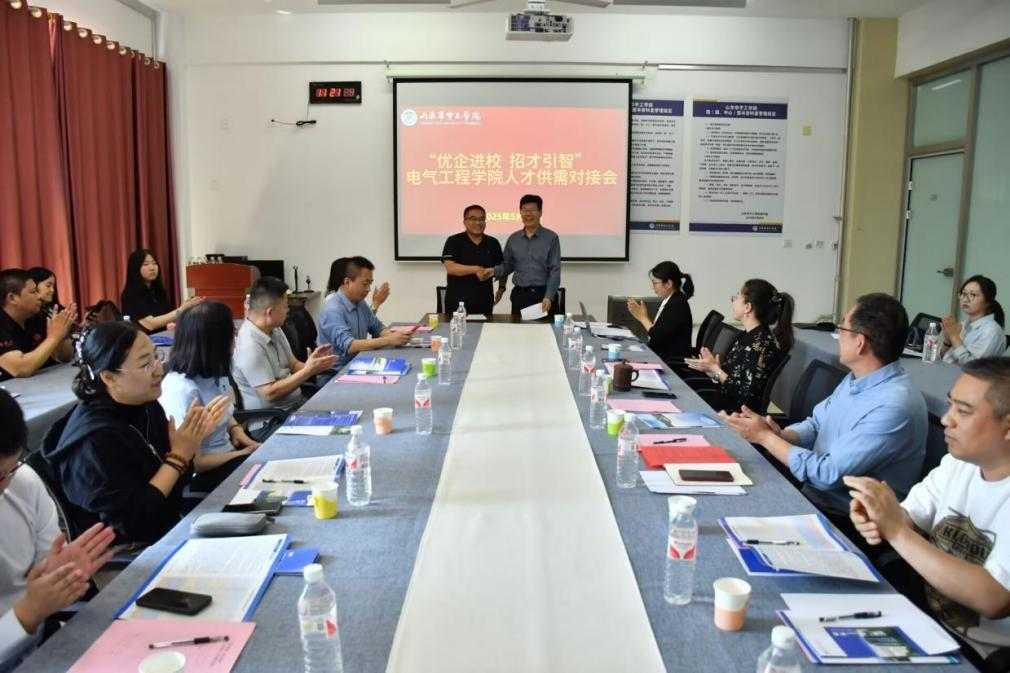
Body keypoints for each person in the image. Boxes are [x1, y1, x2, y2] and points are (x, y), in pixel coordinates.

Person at [845, 357, 1010, 671]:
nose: (946, 420)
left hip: (980, 655)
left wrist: (895, 530)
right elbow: (907, 516)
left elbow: (994, 598)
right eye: (950, 406)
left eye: (963, 411)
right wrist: (875, 516)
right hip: (923, 620)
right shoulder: (959, 463)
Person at [722, 293, 927, 518]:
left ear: (860, 343)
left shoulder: (894, 406)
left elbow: (826, 474)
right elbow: (817, 424)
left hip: (845, 519)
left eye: (843, 329)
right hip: (811, 495)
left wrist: (766, 438)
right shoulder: (857, 378)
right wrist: (780, 434)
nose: (838, 337)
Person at [40, 321, 225, 545]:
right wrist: (178, 458)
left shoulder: (144, 405)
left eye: (156, 357)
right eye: (146, 364)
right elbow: (134, 523)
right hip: (131, 551)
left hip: (169, 526)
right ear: (109, 377)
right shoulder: (94, 441)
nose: (159, 369)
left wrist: (190, 444)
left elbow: (176, 482)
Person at [0, 389, 115, 672]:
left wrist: (58, 577)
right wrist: (29, 612)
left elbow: (46, 571)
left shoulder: (22, 483)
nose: (4, 486)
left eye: (8, 471)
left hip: (44, 646)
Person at [158, 301, 261, 491]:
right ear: (216, 343)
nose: (235, 340)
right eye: (231, 334)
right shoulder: (183, 390)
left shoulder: (212, 372)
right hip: (205, 474)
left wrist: (236, 431)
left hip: (228, 455)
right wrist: (243, 454)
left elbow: (223, 412)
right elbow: (197, 463)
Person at [684, 279, 795, 412]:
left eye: (737, 297)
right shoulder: (748, 335)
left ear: (747, 307)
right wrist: (712, 371)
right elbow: (732, 379)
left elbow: (746, 395)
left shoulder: (760, 344)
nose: (733, 301)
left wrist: (716, 370)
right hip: (725, 401)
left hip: (737, 413)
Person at [233, 277, 337, 411]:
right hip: (274, 418)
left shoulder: (274, 328)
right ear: (270, 312)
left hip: (296, 405)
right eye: (285, 306)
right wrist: (308, 371)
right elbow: (269, 393)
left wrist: (315, 365)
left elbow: (293, 365)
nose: (288, 310)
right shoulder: (250, 346)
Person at [317, 256, 410, 370]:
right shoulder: (332, 309)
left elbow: (377, 328)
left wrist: (398, 336)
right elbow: (349, 345)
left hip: (359, 363)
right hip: (337, 372)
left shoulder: (360, 303)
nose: (368, 289)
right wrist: (389, 340)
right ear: (347, 282)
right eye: (364, 284)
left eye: (370, 284)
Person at [490, 195, 562, 317]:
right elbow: (508, 265)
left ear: (540, 212)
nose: (528, 214)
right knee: (518, 329)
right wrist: (493, 271)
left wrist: (549, 296)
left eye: (532, 210)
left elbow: (554, 270)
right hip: (520, 295)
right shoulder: (513, 239)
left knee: (545, 329)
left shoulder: (551, 238)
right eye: (525, 210)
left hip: (543, 295)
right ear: (520, 212)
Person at [0, 268, 76, 382]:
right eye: (33, 292)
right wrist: (54, 337)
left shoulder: (38, 316)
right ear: (12, 298)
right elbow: (20, 369)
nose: (39, 296)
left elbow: (65, 357)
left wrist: (62, 331)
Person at [441, 204, 506, 315]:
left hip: (484, 302)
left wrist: (501, 288)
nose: (478, 222)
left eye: (481, 219)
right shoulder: (454, 241)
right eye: (473, 219)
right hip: (457, 303)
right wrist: (476, 269)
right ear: (465, 222)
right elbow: (450, 268)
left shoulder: (493, 243)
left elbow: (502, 268)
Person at [626, 261, 694, 366]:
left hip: (668, 363)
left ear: (668, 284)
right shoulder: (672, 300)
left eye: (655, 283)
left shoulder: (677, 305)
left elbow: (657, 335)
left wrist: (643, 317)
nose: (652, 287)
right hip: (661, 355)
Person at [120, 249, 202, 334]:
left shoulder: (157, 291)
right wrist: (181, 310)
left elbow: (169, 316)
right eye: (146, 264)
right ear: (135, 269)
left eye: (154, 263)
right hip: (145, 339)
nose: (152, 268)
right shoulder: (130, 294)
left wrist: (189, 308)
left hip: (164, 335)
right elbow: (150, 324)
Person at [942, 275, 1006, 364]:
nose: (965, 299)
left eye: (973, 295)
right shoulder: (964, 324)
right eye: (964, 294)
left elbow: (972, 367)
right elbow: (943, 359)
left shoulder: (991, 331)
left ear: (988, 302)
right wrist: (948, 342)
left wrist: (954, 337)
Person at [325, 257, 389, 314]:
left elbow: (367, 320)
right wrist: (376, 303)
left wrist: (376, 303)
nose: (368, 289)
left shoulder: (353, 299)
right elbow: (364, 323)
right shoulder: (333, 301)